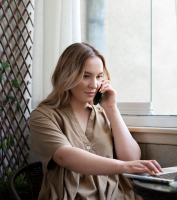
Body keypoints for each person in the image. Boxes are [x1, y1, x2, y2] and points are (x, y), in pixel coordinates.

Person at [29, 42, 163, 200]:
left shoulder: (103, 114)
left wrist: (112, 108)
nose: (94, 85)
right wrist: (123, 167)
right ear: (67, 75)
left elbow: (131, 158)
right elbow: (64, 156)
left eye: (99, 76)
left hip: (118, 195)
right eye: (86, 76)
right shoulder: (43, 116)